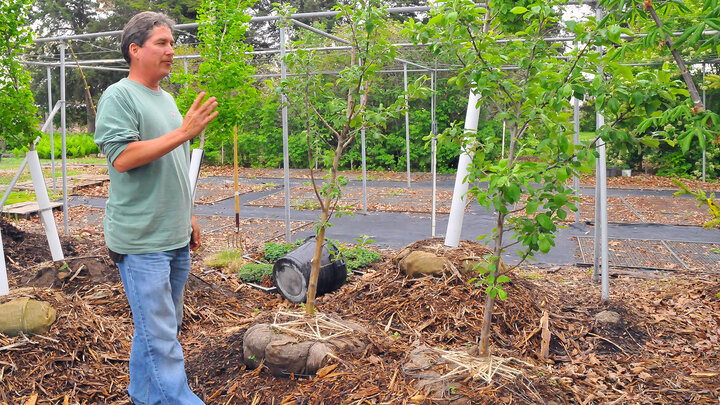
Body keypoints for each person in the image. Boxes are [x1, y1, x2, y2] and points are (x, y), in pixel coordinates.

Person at [94, 11, 218, 405]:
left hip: (174, 234)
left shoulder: (166, 99)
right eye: (162, 43)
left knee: (159, 326)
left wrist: (190, 215)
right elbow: (123, 158)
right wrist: (184, 132)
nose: (171, 51)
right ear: (135, 49)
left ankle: (143, 395)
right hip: (142, 239)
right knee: (160, 333)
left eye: (172, 43)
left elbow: (175, 163)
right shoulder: (120, 95)